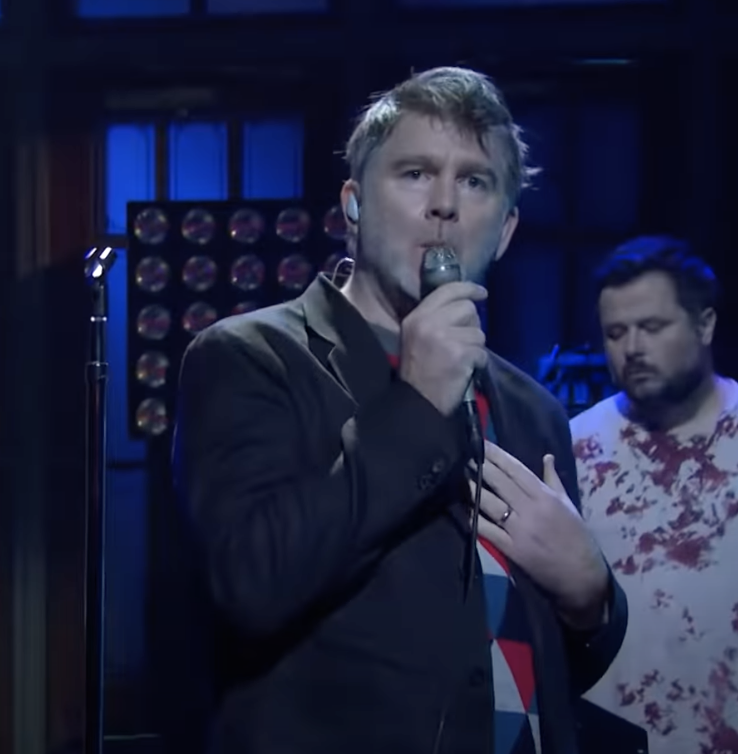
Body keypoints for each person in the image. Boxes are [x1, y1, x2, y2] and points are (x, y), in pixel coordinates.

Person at [172, 67, 628, 754]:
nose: (444, 204)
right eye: (416, 174)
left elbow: (533, 668)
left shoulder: (532, 409)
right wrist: (414, 405)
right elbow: (251, 586)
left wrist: (591, 594)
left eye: (474, 182)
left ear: (505, 230)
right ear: (353, 204)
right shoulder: (250, 359)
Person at [572, 237, 737, 754]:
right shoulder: (573, 448)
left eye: (652, 327)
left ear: (705, 325)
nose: (633, 348)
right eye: (616, 333)